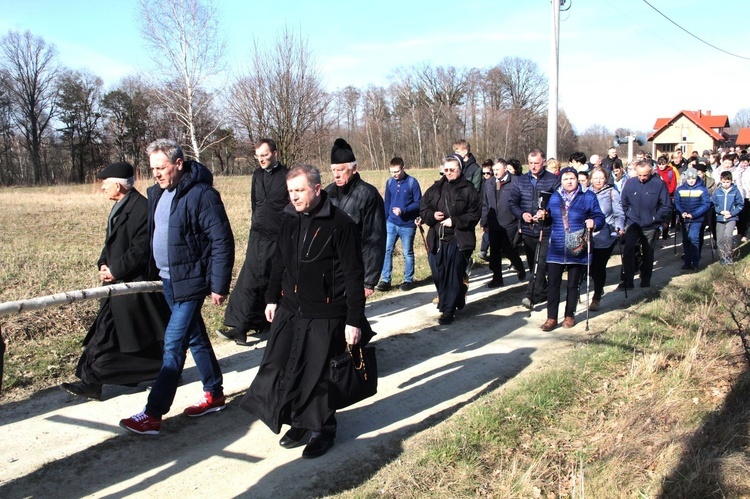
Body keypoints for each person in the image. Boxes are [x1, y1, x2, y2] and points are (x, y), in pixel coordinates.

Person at [240, 165, 366, 459]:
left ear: (317, 189)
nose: (294, 197)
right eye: (291, 191)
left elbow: (353, 275)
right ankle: (298, 420)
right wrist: (271, 298)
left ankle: (324, 428)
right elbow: (280, 262)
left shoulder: (340, 224)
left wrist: (353, 319)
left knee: (319, 375)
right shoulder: (289, 219)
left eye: (300, 190)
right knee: (284, 366)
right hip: (290, 309)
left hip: (325, 312)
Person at [119, 139, 234, 435]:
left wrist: (219, 284)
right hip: (168, 280)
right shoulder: (159, 193)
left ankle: (153, 413)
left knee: (173, 345)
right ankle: (214, 393)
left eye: (161, 167)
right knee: (195, 338)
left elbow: (222, 240)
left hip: (192, 282)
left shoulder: (202, 195)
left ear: (179, 164)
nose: (156, 173)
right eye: (153, 168)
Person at [61, 162, 169, 401]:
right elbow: (111, 243)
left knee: (108, 333)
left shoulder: (142, 208)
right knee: (117, 333)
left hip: (130, 285)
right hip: (116, 283)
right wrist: (102, 263)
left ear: (118, 185)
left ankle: (92, 382)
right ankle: (162, 371)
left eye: (104, 183)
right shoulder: (121, 206)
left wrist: (115, 271)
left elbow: (141, 249)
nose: (101, 188)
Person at [218, 139, 288, 344]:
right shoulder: (256, 176)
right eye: (258, 156)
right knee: (249, 279)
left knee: (269, 279)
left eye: (265, 155)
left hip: (277, 237)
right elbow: (255, 204)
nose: (261, 160)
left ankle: (269, 322)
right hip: (257, 235)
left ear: (275, 153)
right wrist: (255, 225)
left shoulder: (286, 175)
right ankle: (240, 326)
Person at [540, 167, 605, 331]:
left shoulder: (588, 196)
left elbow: (599, 217)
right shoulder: (554, 197)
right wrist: (543, 217)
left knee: (572, 285)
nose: (569, 181)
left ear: (577, 180)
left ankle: (570, 315)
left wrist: (594, 223)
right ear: (560, 181)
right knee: (553, 285)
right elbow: (547, 222)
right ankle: (551, 318)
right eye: (565, 179)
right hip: (556, 246)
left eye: (572, 178)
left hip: (577, 246)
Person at [420, 153, 481, 325]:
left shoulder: (469, 190)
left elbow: (475, 214)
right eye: (446, 169)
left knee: (453, 274)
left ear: (460, 169)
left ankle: (448, 310)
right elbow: (423, 208)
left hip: (458, 238)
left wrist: (455, 221)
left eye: (452, 169)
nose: (449, 172)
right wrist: (432, 215)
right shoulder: (435, 189)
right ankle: (458, 294)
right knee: (438, 273)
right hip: (437, 238)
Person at [325, 138, 386, 298]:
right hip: (331, 269)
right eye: (333, 170)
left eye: (341, 170)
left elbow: (375, 238)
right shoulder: (327, 193)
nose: (336, 175)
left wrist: (368, 281)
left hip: (355, 268)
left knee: (353, 318)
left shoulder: (368, 195)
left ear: (354, 168)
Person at [509, 148, 559, 309]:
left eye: (536, 163)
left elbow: (560, 202)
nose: (533, 166)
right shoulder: (521, 181)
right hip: (528, 229)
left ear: (543, 162)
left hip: (546, 230)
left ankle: (531, 296)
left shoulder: (552, 180)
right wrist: (522, 214)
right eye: (530, 163)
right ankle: (542, 290)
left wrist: (546, 212)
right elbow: (513, 203)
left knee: (540, 263)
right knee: (533, 264)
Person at [619, 159, 672, 289]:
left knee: (648, 253)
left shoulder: (659, 184)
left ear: (651, 172)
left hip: (651, 225)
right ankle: (628, 280)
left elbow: (666, 205)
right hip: (633, 224)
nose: (642, 178)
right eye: (639, 175)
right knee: (629, 251)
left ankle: (646, 278)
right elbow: (624, 203)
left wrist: (656, 218)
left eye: (645, 175)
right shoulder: (630, 183)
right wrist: (629, 215)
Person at [376, 157, 422, 292]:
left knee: (407, 252)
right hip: (391, 223)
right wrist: (385, 220)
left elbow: (419, 203)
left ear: (403, 168)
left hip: (407, 225)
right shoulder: (390, 182)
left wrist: (404, 211)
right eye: (391, 172)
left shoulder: (412, 183)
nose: (394, 174)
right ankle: (385, 280)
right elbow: (387, 203)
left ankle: (408, 280)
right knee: (386, 250)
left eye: (396, 171)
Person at [481, 158, 526, 288]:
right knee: (494, 252)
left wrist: (520, 224)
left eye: (497, 170)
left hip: (510, 222)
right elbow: (485, 204)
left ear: (505, 169)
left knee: (509, 249)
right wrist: (484, 222)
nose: (495, 172)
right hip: (493, 223)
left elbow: (521, 203)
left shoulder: (515, 181)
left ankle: (519, 266)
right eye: (493, 170)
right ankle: (497, 278)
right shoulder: (489, 183)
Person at [588, 167, 625, 311]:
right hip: (588, 236)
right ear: (591, 179)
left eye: (601, 178)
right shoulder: (585, 192)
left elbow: (619, 214)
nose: (598, 181)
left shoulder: (612, 192)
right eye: (595, 178)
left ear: (606, 179)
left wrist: (619, 227)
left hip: (606, 236)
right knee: (589, 267)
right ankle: (598, 285)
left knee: (599, 266)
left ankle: (596, 297)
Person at [674, 167, 711, 270]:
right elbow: (677, 202)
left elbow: (706, 204)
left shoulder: (702, 189)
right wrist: (681, 212)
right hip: (684, 218)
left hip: (697, 219)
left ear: (696, 178)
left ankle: (695, 262)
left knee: (694, 238)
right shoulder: (680, 189)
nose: (691, 180)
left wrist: (694, 214)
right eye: (689, 178)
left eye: (693, 178)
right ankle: (687, 261)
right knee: (686, 239)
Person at [711, 171, 744, 265]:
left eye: (727, 182)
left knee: (728, 236)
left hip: (731, 218)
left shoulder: (735, 191)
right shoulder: (717, 191)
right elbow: (713, 204)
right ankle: (722, 257)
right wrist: (720, 211)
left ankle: (728, 256)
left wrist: (732, 213)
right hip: (720, 218)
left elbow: (740, 205)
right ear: (721, 181)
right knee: (720, 238)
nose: (725, 184)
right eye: (724, 182)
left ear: (731, 181)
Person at [476, 159, 494, 261]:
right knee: (486, 230)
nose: (486, 175)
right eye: (483, 173)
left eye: (488, 172)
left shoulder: (494, 183)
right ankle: (483, 250)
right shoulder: (482, 183)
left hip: (494, 210)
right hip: (485, 209)